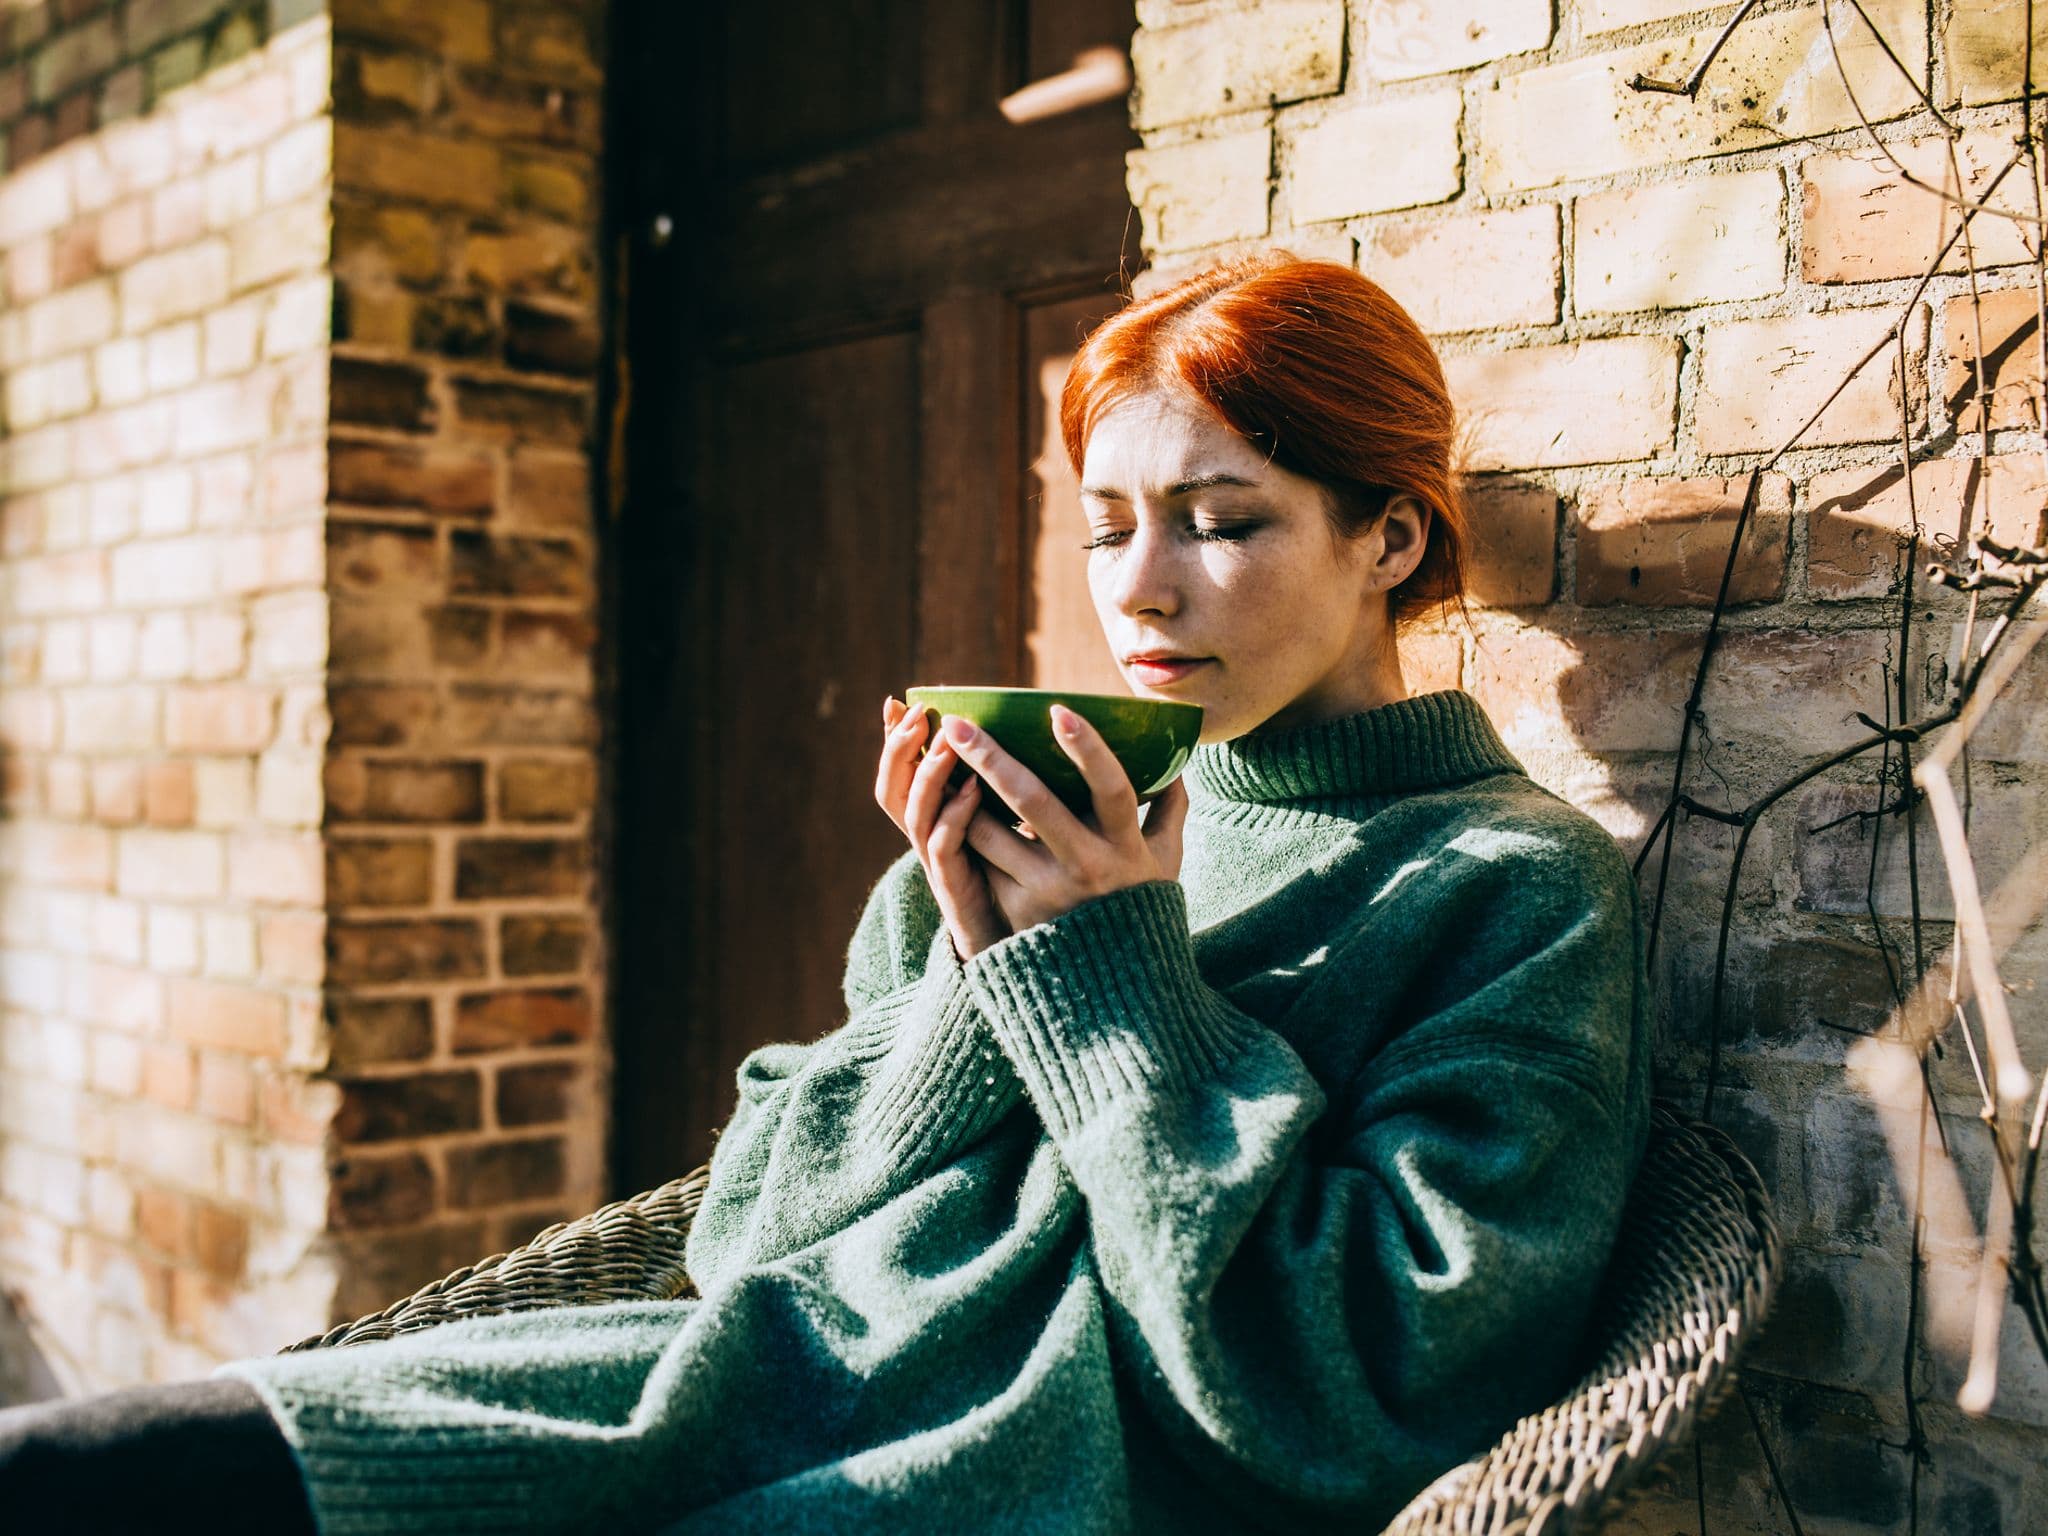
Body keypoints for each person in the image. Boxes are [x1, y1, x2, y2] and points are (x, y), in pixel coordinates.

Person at [0, 249, 1653, 1533]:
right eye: (1106, 529)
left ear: (1389, 541)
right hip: (754, 1376)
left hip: (1004, 1474)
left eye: (1219, 521)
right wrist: (978, 974)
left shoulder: (1509, 890)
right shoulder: (1055, 823)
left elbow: (1355, 1402)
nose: (1141, 590)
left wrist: (1105, 979)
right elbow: (746, 1233)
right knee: (77, 1468)